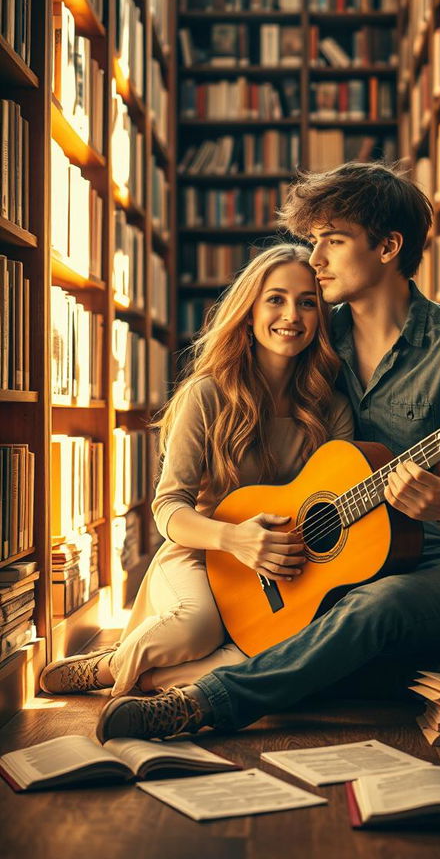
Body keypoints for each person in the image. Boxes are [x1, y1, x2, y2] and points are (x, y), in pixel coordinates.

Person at [95, 160, 440, 742]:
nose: (314, 263)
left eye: (332, 243)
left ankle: (203, 704)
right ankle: (405, 672)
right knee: (335, 633)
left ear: (389, 246)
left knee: (369, 614)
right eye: (313, 242)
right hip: (338, 562)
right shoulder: (313, 332)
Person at [40, 244, 353, 698]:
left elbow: (338, 494)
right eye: (276, 299)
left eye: (308, 302)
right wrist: (234, 538)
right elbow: (168, 507)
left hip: (283, 565)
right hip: (202, 550)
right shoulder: (206, 394)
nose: (293, 314)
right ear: (248, 312)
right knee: (197, 627)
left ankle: (129, 674)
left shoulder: (332, 408)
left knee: (293, 644)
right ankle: (115, 662)